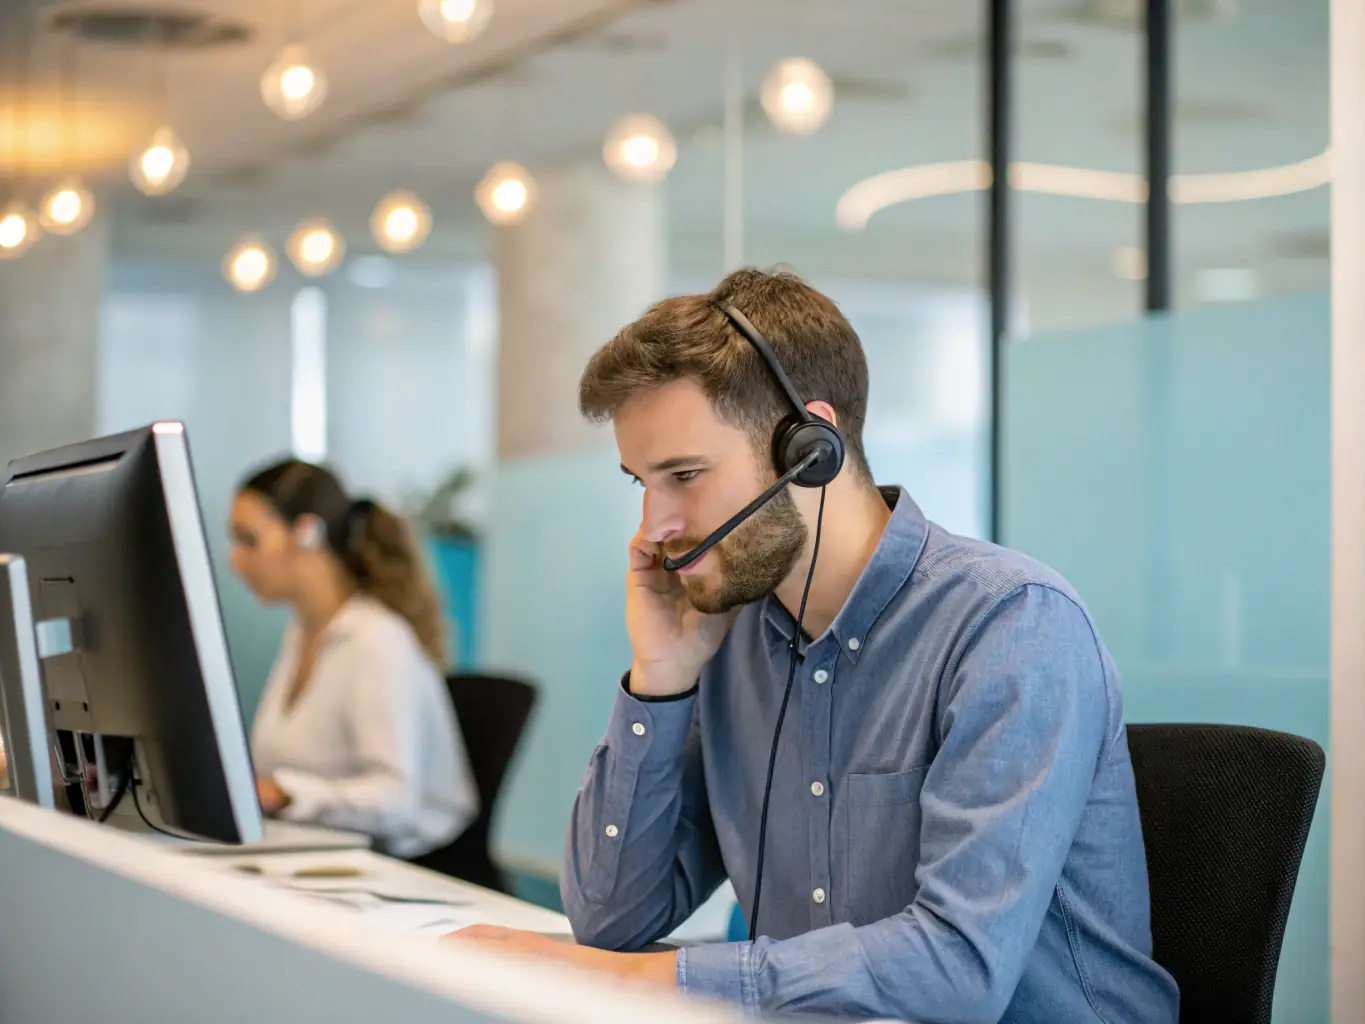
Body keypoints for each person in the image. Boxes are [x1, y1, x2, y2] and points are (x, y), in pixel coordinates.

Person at [445, 268, 1179, 1024]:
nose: (655, 526)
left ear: (810, 447)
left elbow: (957, 969)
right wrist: (659, 679)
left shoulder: (1009, 624)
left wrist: (621, 982)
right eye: (642, 483)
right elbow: (612, 919)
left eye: (684, 475)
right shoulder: (727, 639)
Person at [230, 458, 478, 860]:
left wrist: (283, 793)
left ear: (307, 533)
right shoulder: (302, 632)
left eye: (248, 539)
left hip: (407, 871)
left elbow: (394, 801)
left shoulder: (377, 641)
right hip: (323, 854)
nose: (235, 560)